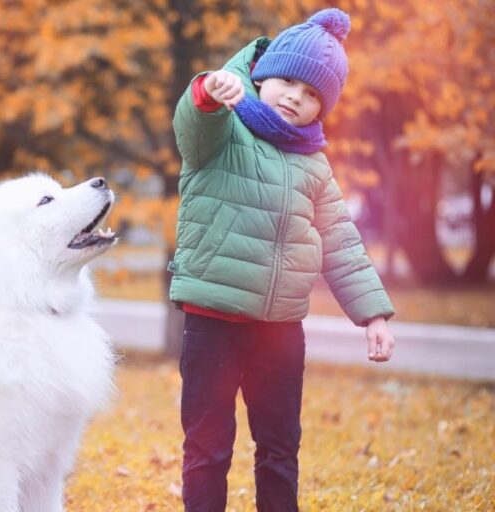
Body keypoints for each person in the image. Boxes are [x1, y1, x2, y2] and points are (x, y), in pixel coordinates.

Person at [166, 8, 396, 511]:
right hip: (214, 322)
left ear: (324, 106)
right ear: (262, 73)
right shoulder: (223, 130)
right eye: (289, 81)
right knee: (207, 447)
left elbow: (340, 238)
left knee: (280, 449)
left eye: (313, 93)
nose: (296, 96)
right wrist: (209, 91)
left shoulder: (313, 162)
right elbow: (193, 119)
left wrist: (372, 314)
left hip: (280, 331)